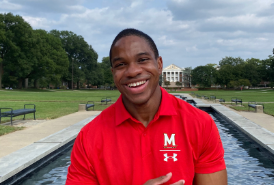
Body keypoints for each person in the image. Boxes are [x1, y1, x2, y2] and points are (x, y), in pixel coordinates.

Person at [66, 29, 227, 185]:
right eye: (121, 64)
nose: (133, 71)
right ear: (113, 73)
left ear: (159, 64)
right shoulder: (89, 138)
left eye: (142, 60)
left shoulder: (200, 124)